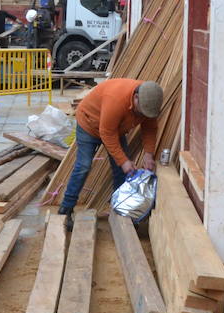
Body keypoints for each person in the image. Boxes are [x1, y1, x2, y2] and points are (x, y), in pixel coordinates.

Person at [58, 79, 163, 219]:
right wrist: (123, 161)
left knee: (122, 170)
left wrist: (149, 154)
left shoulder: (149, 100)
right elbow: (107, 133)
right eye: (142, 111)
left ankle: (120, 209)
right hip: (89, 124)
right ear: (135, 97)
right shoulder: (116, 100)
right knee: (83, 166)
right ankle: (66, 209)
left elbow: (150, 128)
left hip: (115, 128)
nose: (143, 115)